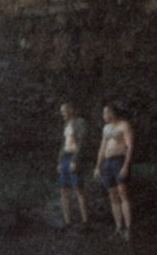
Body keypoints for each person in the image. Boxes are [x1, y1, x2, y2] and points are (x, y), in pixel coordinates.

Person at [97, 99, 135, 237]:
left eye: (106, 113)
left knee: (123, 192)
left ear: (112, 113)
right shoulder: (106, 128)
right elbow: (102, 147)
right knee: (112, 195)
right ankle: (118, 227)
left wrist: (126, 165)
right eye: (103, 113)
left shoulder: (124, 125)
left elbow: (130, 146)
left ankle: (128, 228)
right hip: (107, 161)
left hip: (119, 160)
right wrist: (97, 166)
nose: (104, 116)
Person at [56, 100, 89, 226]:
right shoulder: (66, 124)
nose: (62, 113)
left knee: (78, 188)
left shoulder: (80, 122)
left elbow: (82, 142)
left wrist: (76, 160)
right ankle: (67, 221)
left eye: (64, 111)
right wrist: (59, 162)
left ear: (70, 110)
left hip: (75, 156)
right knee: (63, 189)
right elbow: (63, 144)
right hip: (65, 156)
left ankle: (85, 222)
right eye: (61, 111)